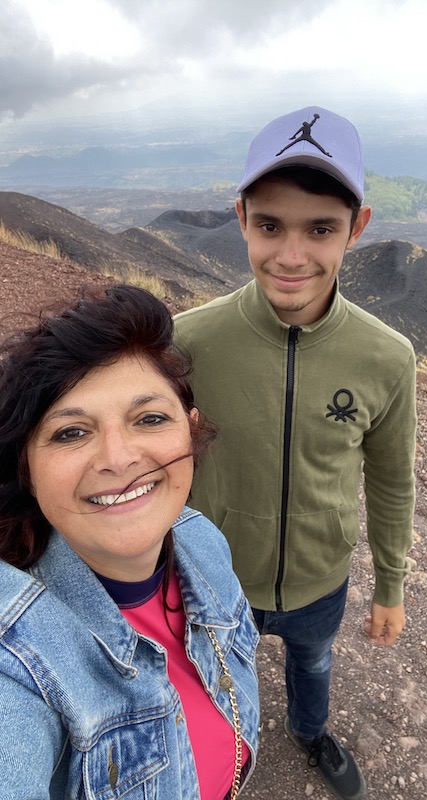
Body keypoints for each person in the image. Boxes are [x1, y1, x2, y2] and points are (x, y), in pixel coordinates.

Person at [174, 106, 416, 800]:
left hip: (319, 576)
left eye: (320, 229)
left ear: (357, 228)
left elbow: (394, 482)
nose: (290, 255)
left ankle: (310, 735)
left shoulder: (387, 358)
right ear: (241, 216)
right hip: (216, 577)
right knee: (222, 672)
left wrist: (392, 587)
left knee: (312, 665)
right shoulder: (188, 341)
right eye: (270, 225)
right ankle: (229, 748)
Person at [0, 284, 260, 800]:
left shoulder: (199, 539)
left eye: (149, 419)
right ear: (26, 468)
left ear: (190, 431)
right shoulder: (17, 664)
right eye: (71, 432)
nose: (118, 459)